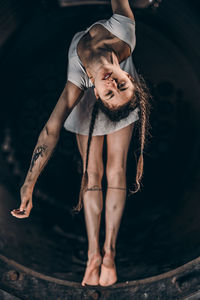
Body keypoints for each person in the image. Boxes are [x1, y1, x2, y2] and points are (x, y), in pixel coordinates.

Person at [11, 0, 151, 287]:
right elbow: (51, 132)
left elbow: (50, 130)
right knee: (92, 173)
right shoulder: (125, 31)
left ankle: (108, 255)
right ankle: (93, 257)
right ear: (128, 76)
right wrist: (29, 182)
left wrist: (29, 184)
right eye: (121, 84)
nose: (113, 83)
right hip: (106, 102)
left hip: (117, 108)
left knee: (115, 171)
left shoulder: (79, 81)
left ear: (99, 97)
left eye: (112, 91)